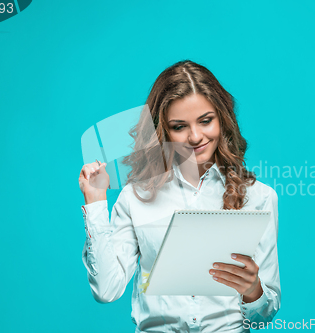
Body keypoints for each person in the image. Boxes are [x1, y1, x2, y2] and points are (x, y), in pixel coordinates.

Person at [78, 60, 281, 332]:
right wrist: (95, 202)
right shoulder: (135, 197)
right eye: (179, 126)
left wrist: (253, 290)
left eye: (206, 121)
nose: (195, 136)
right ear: (161, 129)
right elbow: (106, 290)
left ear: (222, 118)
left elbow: (263, 317)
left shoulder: (260, 197)